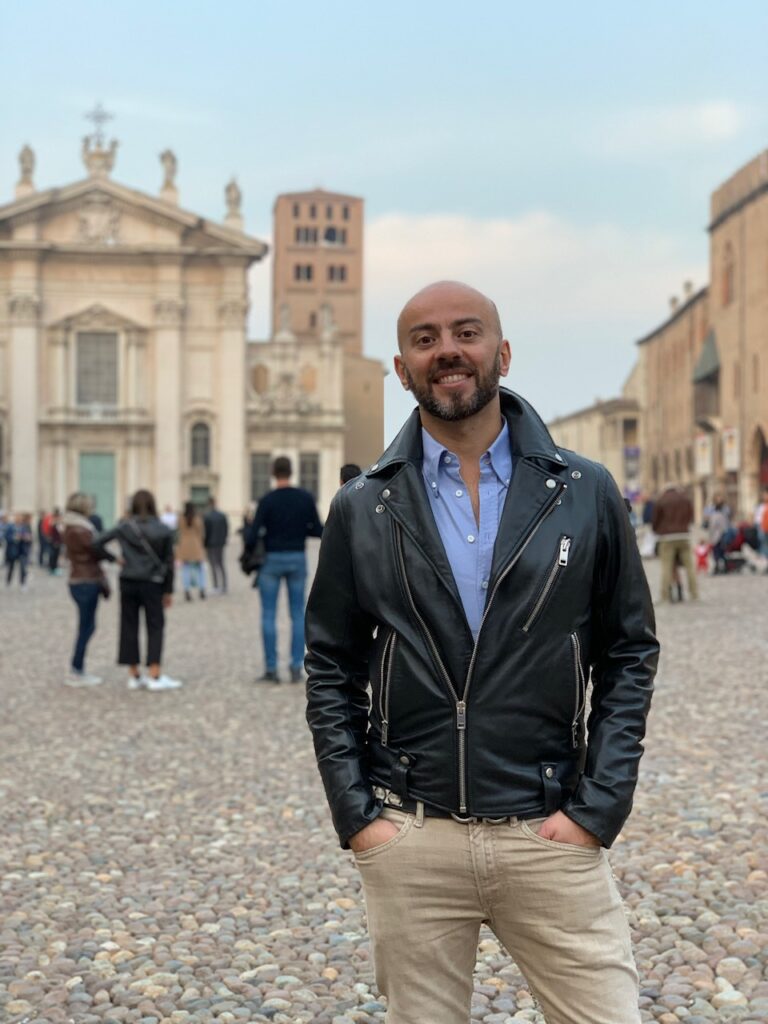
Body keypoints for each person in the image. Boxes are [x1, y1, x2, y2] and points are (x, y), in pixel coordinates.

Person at [305, 281, 660, 1024]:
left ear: (501, 352)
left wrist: (599, 806)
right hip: (412, 835)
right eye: (425, 339)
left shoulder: (585, 491)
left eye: (465, 333)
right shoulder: (363, 505)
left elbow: (628, 652)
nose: (447, 352)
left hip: (549, 826)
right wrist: (359, 814)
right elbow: (331, 665)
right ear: (402, 369)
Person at [245, 456, 323, 683]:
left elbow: (252, 536)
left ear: (273, 473)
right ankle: (296, 666)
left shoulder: (267, 500)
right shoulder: (305, 498)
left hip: (272, 559)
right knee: (297, 613)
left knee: (268, 614)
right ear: (292, 472)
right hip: (297, 557)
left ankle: (271, 668)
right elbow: (317, 529)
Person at [94, 489, 181, 691]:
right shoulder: (163, 529)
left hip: (129, 580)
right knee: (155, 625)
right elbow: (169, 562)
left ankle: (133, 674)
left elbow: (96, 542)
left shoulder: (124, 526)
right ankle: (154, 673)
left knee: (129, 625)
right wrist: (168, 591)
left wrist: (114, 559)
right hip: (153, 582)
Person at [62, 493, 114, 687]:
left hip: (79, 579)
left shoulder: (70, 526)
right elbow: (96, 549)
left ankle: (77, 667)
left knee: (87, 625)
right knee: (87, 626)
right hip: (86, 580)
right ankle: (77, 669)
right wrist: (113, 558)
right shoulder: (81, 529)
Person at [652, 483, 698, 602]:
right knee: (690, 568)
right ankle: (694, 594)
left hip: (667, 537)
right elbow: (691, 516)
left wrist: (658, 531)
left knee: (666, 567)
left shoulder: (661, 500)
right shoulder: (685, 499)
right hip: (684, 535)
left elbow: (655, 520)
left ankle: (665, 595)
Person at [176, 501, 207, 601]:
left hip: (184, 545)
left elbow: (178, 530)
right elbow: (201, 532)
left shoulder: (181, 518)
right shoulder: (197, 518)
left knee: (186, 570)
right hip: (195, 544)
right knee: (200, 569)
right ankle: (202, 589)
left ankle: (187, 590)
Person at [203, 496, 229, 594]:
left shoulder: (207, 516)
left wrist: (204, 543)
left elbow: (206, 532)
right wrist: (224, 539)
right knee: (221, 564)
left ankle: (216, 586)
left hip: (211, 543)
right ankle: (225, 585)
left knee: (213, 565)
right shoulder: (222, 515)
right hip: (220, 543)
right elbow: (226, 529)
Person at [5, 513, 33, 588]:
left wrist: (26, 538)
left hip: (22, 550)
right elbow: (7, 537)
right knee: (11, 567)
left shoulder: (25, 527)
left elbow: (30, 537)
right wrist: (14, 538)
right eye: (17, 518)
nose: (18, 520)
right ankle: (8, 581)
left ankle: (23, 583)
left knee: (23, 568)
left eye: (20, 518)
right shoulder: (10, 527)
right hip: (12, 551)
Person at [47, 507, 63, 575]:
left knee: (55, 555)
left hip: (57, 541)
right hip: (55, 541)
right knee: (53, 555)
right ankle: (52, 568)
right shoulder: (53, 522)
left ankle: (54, 567)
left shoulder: (57, 522)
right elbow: (55, 532)